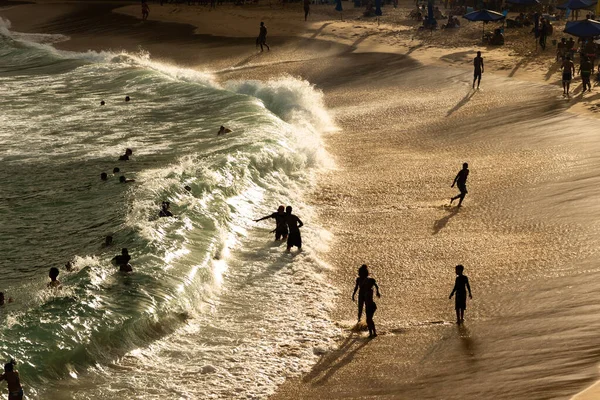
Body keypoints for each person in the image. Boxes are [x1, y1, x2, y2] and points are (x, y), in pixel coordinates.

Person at [354, 264, 381, 337]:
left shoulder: (369, 281)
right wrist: (353, 294)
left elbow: (375, 285)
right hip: (363, 296)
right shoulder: (359, 279)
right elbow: (356, 287)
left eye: (360, 272)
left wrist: (378, 292)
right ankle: (361, 324)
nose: (359, 274)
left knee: (369, 318)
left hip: (369, 302)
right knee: (361, 311)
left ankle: (373, 333)